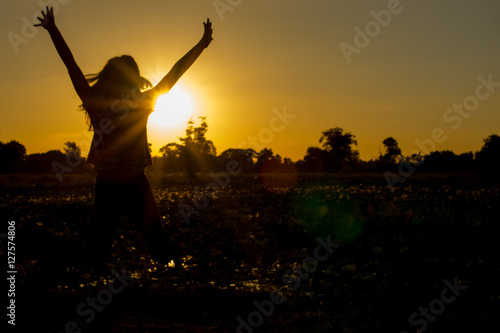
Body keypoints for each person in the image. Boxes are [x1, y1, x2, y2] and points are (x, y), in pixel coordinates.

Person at [35, 7, 213, 270]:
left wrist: (53, 30)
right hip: (129, 185)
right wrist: (202, 44)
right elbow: (175, 72)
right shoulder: (140, 101)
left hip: (115, 185)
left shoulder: (98, 101)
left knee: (109, 253)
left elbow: (71, 64)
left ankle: (58, 259)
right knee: (150, 249)